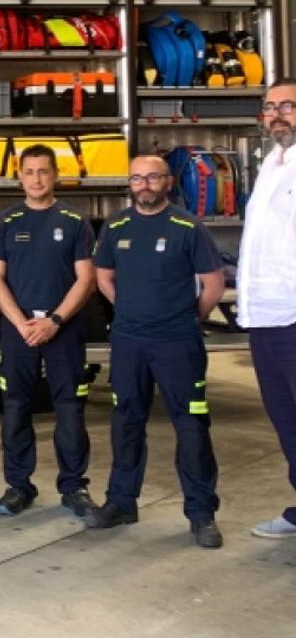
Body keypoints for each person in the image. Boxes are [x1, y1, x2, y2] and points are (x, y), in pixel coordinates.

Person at [88, 155, 226, 548]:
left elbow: (212, 285)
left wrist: (184, 319)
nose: (144, 185)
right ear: (129, 184)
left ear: (167, 182)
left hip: (178, 342)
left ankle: (201, 514)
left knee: (192, 426)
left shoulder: (187, 226)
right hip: (129, 341)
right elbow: (104, 277)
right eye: (137, 178)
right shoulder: (116, 225)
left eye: (152, 178)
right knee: (126, 421)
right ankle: (121, 502)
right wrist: (131, 312)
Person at [0, 144, 99, 517]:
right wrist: (20, 324)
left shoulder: (74, 222)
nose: (36, 179)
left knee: (69, 410)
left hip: (62, 332)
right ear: (20, 176)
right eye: (29, 172)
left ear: (55, 175)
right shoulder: (4, 222)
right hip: (19, 333)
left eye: (43, 171)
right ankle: (18, 487)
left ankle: (74, 487)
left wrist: (54, 321)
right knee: (16, 409)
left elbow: (86, 278)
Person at [238, 77, 296, 539]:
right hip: (264, 316)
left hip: (294, 315)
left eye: (288, 106)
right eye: (271, 106)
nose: (277, 114)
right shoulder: (272, 165)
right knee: (285, 418)